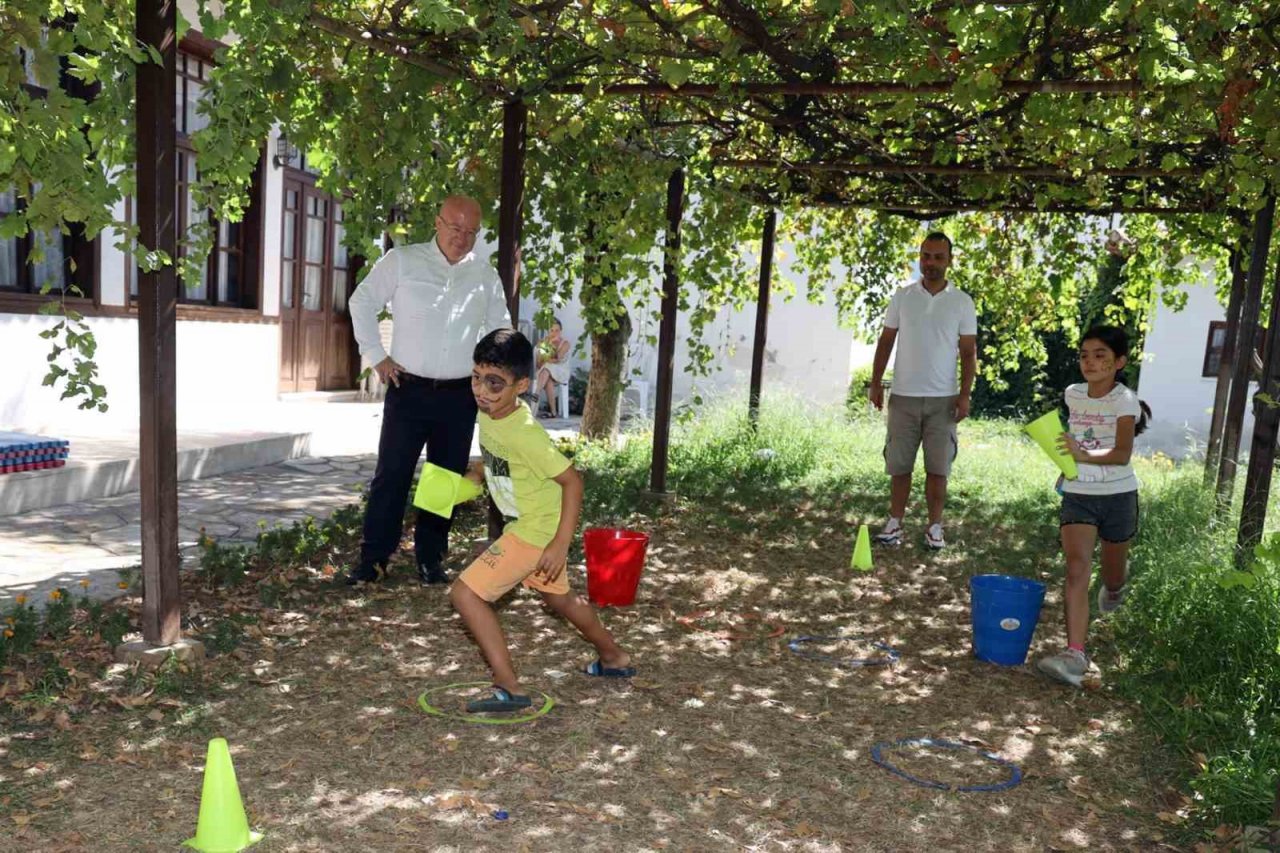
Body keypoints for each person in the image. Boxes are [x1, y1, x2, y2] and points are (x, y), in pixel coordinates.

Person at [450, 329, 634, 712]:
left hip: (535, 530)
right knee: (560, 599)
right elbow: (496, 457)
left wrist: (559, 544)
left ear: (520, 385)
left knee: (466, 595)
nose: (481, 390)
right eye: (476, 377)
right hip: (533, 525)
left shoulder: (526, 434)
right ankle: (614, 657)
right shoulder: (491, 413)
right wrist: (476, 475)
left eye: (494, 383)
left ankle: (510, 687)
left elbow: (573, 481)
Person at [345, 195, 511, 587]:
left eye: (471, 232)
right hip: (408, 388)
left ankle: (430, 560)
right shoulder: (403, 261)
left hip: (460, 396)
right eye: (455, 228)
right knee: (392, 476)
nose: (462, 238)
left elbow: (500, 329)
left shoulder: (484, 274)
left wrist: (496, 381)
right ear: (437, 223)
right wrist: (376, 355)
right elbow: (361, 301)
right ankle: (374, 560)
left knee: (444, 478)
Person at [1038, 325, 1151, 688]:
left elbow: (1121, 454)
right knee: (1076, 568)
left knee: (1113, 577)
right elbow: (1075, 438)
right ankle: (1075, 654)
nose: (1090, 362)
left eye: (1100, 355)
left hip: (1119, 495)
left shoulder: (1125, 400)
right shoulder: (1072, 394)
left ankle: (1115, 587)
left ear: (1119, 362)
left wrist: (1082, 453)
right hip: (1079, 493)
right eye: (1084, 355)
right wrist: (1066, 460)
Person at [868, 232, 978, 550]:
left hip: (944, 399)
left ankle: (934, 527)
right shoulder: (902, 297)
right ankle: (895, 523)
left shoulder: (962, 302)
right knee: (899, 465)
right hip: (903, 396)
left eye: (938, 257)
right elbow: (886, 341)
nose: (930, 263)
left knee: (938, 468)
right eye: (926, 256)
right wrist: (876, 383)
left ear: (949, 261)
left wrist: (965, 394)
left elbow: (968, 352)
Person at [534, 317, 571, 418]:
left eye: (557, 330)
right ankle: (553, 413)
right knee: (548, 379)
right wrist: (548, 344)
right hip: (546, 374)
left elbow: (557, 358)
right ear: (548, 331)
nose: (554, 333)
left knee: (547, 366)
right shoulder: (544, 342)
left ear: (561, 331)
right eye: (552, 330)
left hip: (561, 372)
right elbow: (539, 363)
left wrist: (549, 347)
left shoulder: (565, 343)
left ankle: (537, 392)